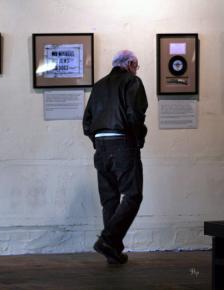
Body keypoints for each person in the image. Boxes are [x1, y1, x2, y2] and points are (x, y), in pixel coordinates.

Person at [83, 50, 148, 264]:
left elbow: (87, 121)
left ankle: (112, 250)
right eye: (136, 65)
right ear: (129, 63)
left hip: (101, 146)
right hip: (122, 143)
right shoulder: (132, 82)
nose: (137, 69)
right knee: (133, 195)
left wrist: (97, 140)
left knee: (110, 199)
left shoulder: (99, 85)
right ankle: (108, 240)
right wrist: (138, 138)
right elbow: (134, 114)